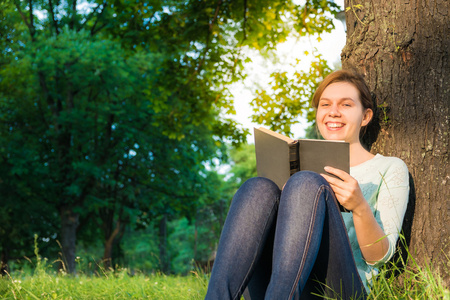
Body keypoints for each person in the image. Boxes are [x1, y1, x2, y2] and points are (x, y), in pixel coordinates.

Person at [204, 70, 410, 300]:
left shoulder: (389, 168)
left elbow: (381, 257)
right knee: (257, 187)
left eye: (346, 105)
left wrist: (360, 206)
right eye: (325, 104)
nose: (333, 112)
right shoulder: (298, 166)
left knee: (307, 182)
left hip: (341, 290)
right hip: (279, 281)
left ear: (365, 116)